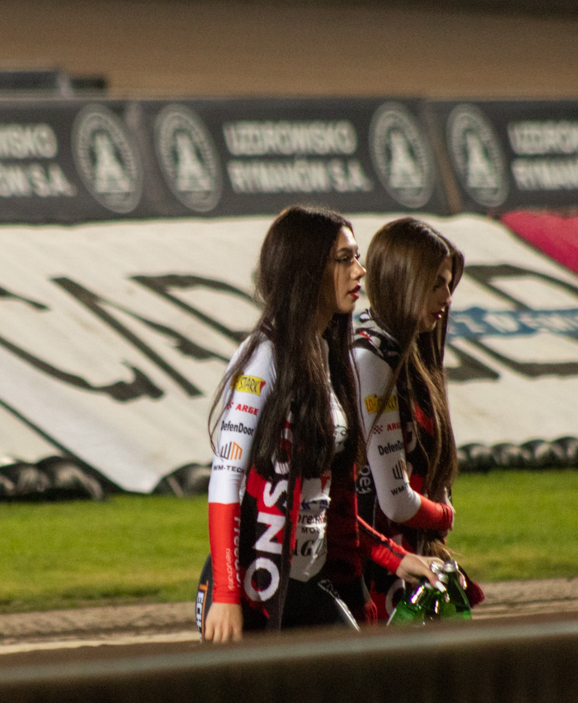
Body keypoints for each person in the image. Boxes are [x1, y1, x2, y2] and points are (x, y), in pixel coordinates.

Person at [199, 206, 442, 643]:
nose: (360, 270)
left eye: (357, 256)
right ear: (306, 269)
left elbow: (327, 504)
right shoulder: (264, 356)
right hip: (256, 588)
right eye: (345, 258)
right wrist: (227, 594)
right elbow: (225, 479)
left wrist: (394, 556)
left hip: (307, 584)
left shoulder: (329, 354)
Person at [350, 217, 481, 621]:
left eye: (449, 284)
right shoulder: (372, 358)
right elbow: (395, 501)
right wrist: (445, 515)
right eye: (436, 283)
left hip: (405, 561)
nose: (447, 297)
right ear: (403, 280)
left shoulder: (404, 354)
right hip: (376, 571)